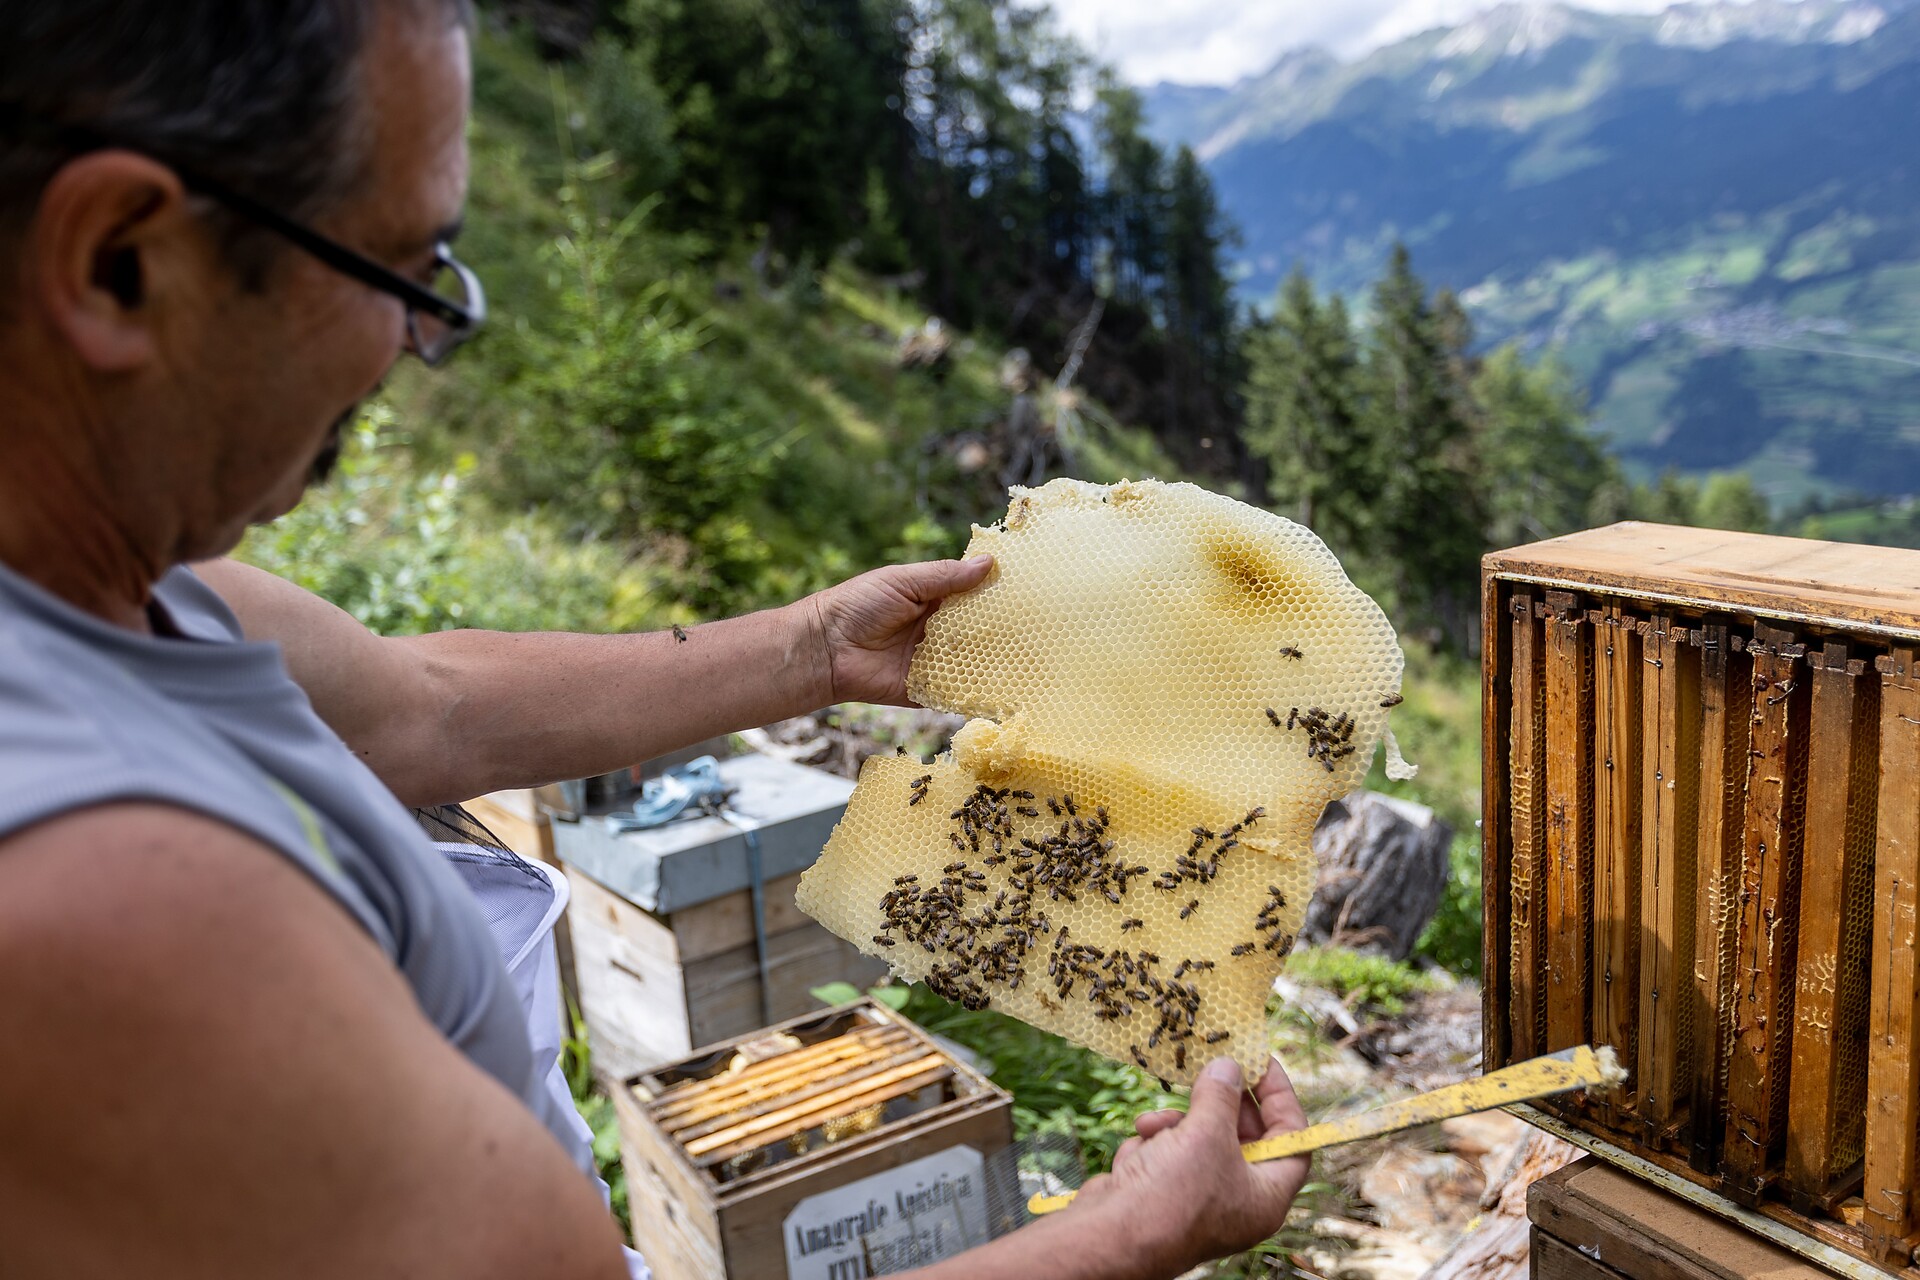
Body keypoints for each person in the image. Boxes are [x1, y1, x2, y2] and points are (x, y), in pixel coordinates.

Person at [0, 3, 1310, 1277]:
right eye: (397, 269)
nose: (425, 340)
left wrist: (815, 647)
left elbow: (428, 710)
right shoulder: (102, 898)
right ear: (121, 260)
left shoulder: (120, 585)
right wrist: (1136, 1231)